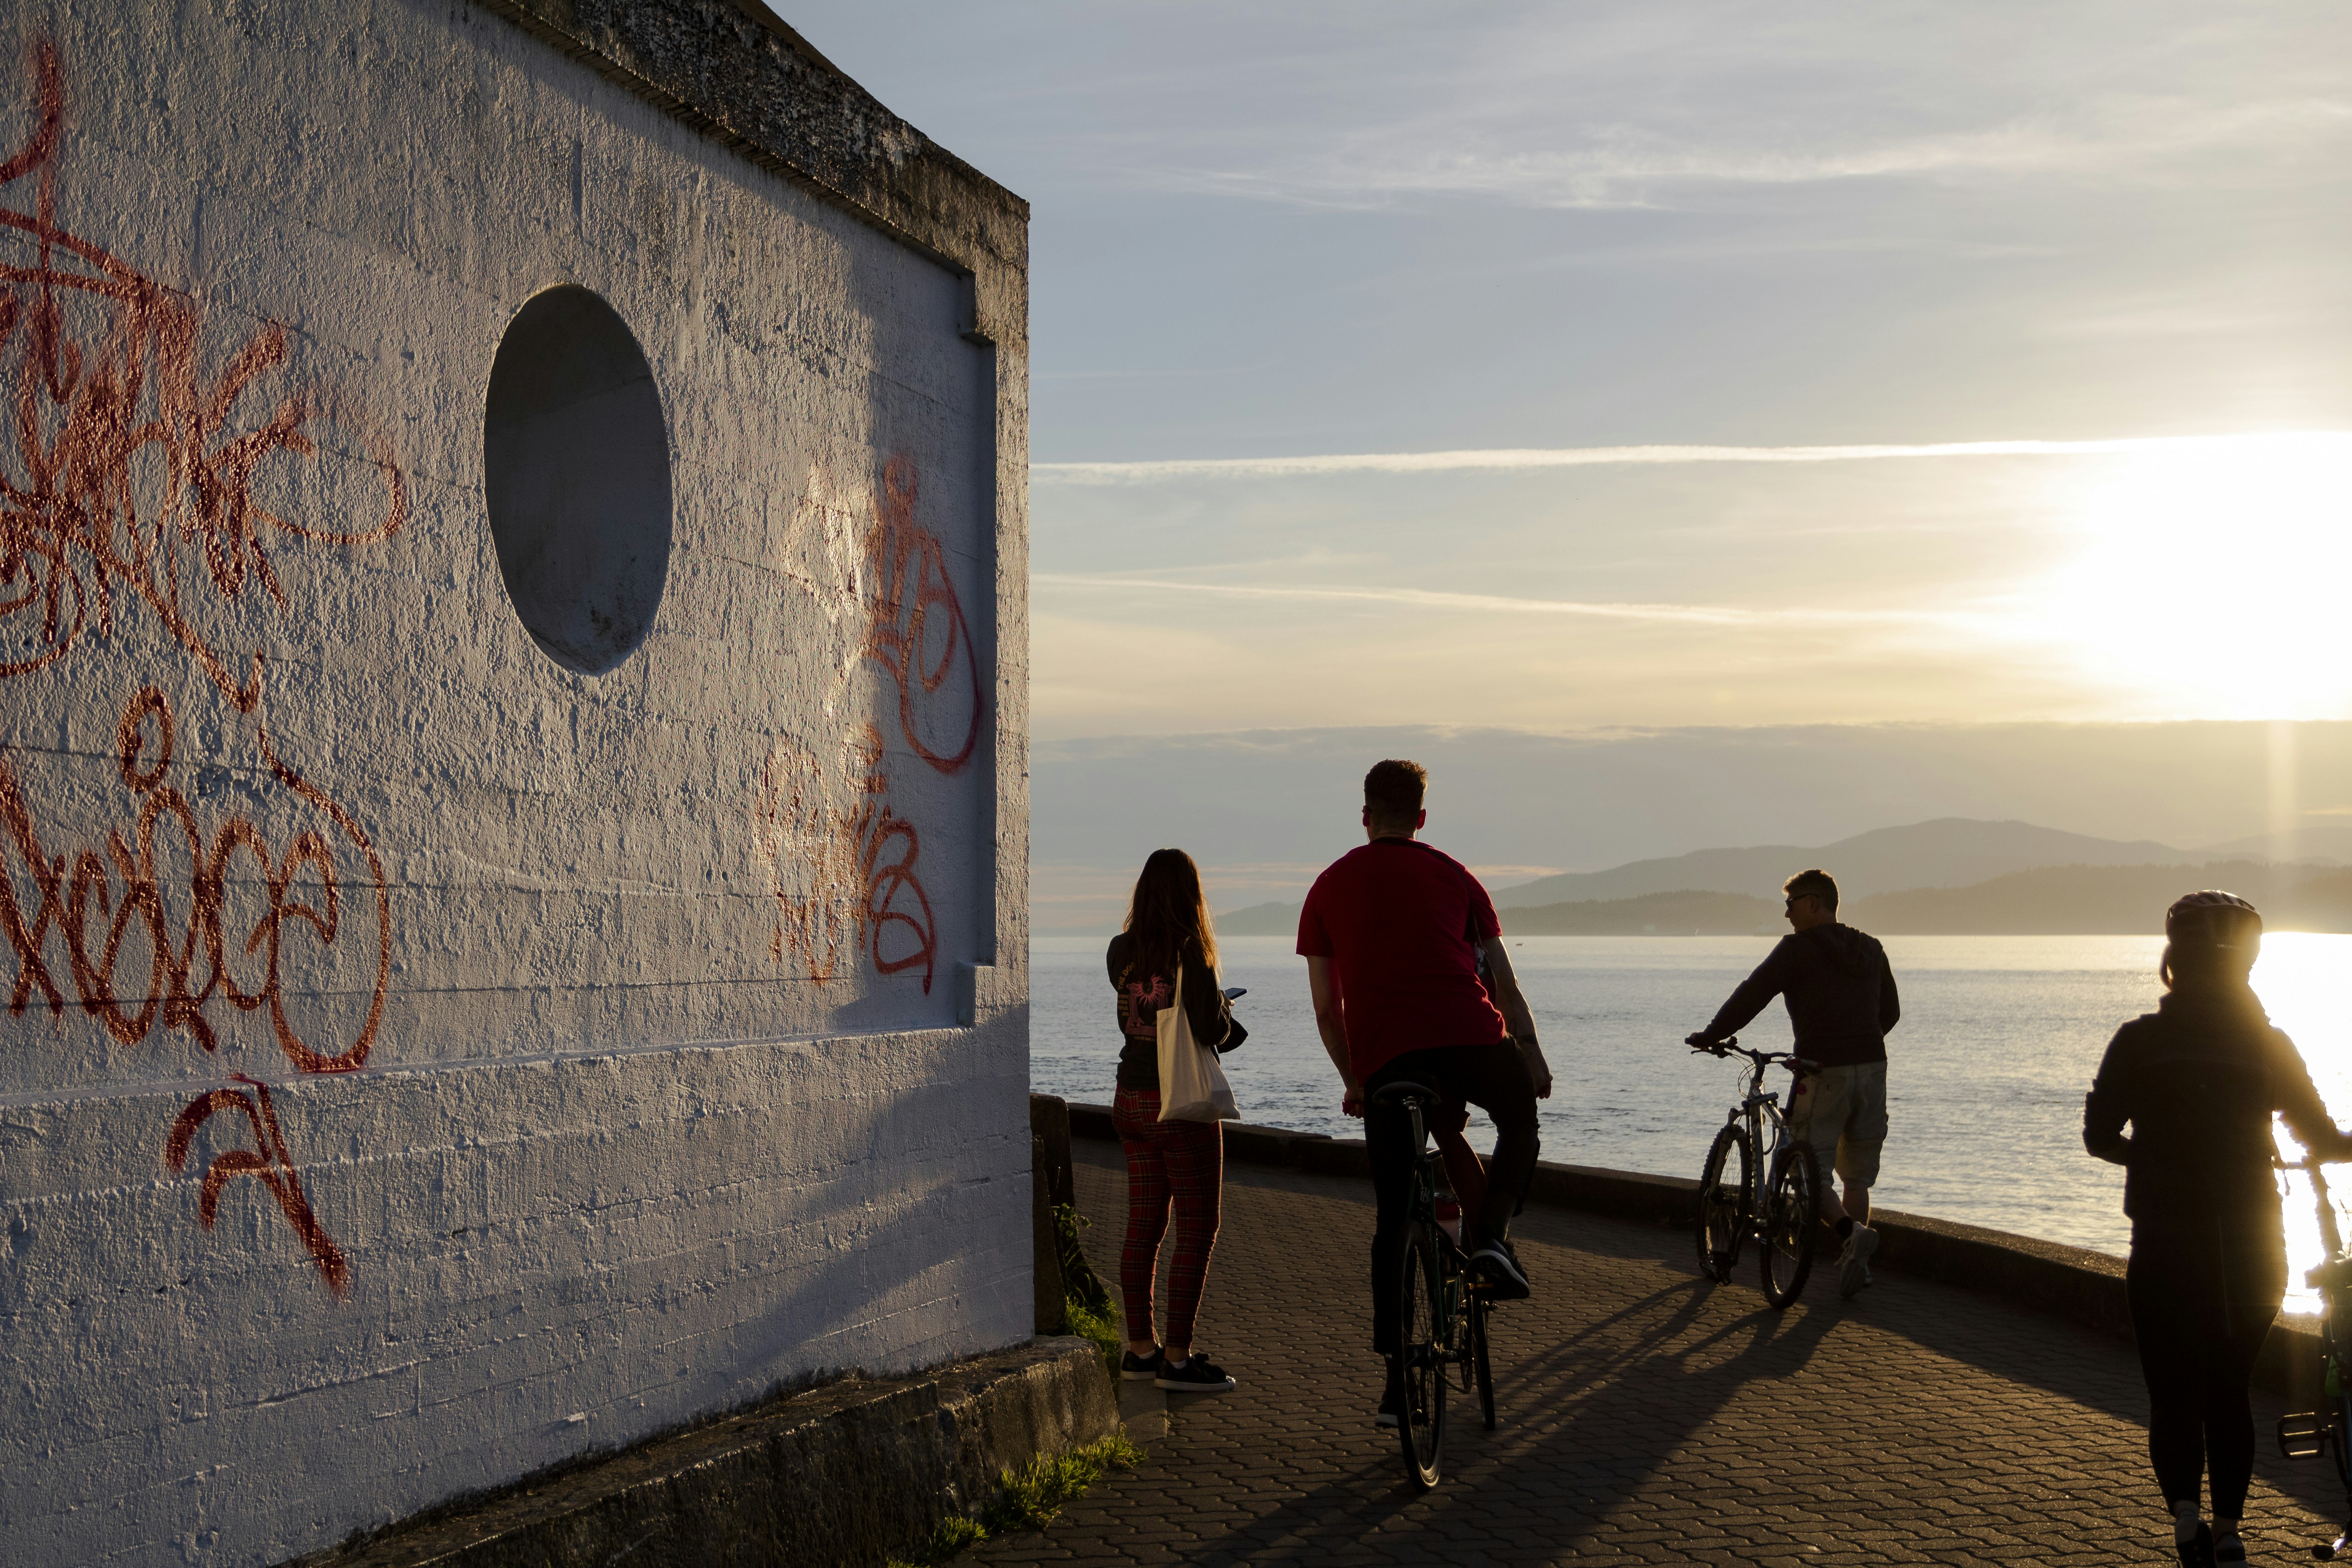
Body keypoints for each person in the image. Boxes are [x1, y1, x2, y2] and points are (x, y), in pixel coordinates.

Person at [2084, 891, 2352, 1568]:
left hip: (2166, 1246)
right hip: (2257, 1248)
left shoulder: (2139, 1040)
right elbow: (2321, 1137)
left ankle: (2184, 1523)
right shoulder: (2269, 1044)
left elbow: (2097, 1135)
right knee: (2229, 1392)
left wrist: (2153, 1156)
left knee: (2174, 1395)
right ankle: (2231, 1531)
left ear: (2175, 961)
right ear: (2248, 967)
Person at [1297, 759, 1553, 1427]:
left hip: (1390, 1061)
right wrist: (1532, 1056)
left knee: (1391, 1222)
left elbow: (1328, 1010)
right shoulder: (1455, 874)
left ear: (1364, 815)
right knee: (1520, 1124)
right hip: (1471, 1038)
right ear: (1420, 817)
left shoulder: (1327, 887)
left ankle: (1394, 1384)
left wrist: (1355, 1079)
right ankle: (1493, 1238)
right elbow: (1504, 981)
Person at [1686, 867, 1899, 1299]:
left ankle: (1846, 1232)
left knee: (1807, 1168)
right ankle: (1857, 1261)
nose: (1786, 914)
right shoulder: (1871, 949)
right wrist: (1859, 1042)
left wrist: (1711, 1035)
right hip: (1873, 1069)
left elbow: (1752, 994)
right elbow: (1890, 1013)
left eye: (1791, 904)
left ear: (1814, 903)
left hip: (1823, 1071)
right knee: (1857, 1177)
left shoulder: (1797, 950)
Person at [1107, 848, 1246, 1395]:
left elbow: (1141, 1007)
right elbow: (1211, 1029)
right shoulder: (1194, 952)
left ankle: (1140, 1351)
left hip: (1130, 1100)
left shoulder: (1121, 950)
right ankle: (1179, 1361)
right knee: (1197, 1229)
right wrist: (1230, 1014)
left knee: (1143, 1228)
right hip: (1180, 1107)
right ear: (1192, 895)